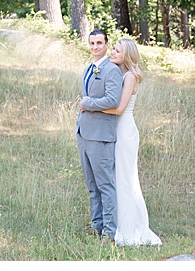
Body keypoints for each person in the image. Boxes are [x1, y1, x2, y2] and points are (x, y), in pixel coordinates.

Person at [96, 38, 161, 246]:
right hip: (116, 131)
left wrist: (90, 106)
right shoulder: (119, 73)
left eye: (117, 50)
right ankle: (118, 224)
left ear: (127, 55)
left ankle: (131, 229)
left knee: (126, 179)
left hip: (125, 132)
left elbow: (119, 108)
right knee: (117, 178)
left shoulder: (130, 76)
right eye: (113, 49)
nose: (112, 52)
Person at [76, 28, 122, 242]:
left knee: (105, 185)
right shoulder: (89, 68)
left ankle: (110, 233)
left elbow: (113, 100)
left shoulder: (111, 70)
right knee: (92, 185)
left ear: (106, 45)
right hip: (84, 134)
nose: (95, 47)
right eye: (92, 43)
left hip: (101, 135)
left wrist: (88, 104)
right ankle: (97, 226)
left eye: (99, 43)